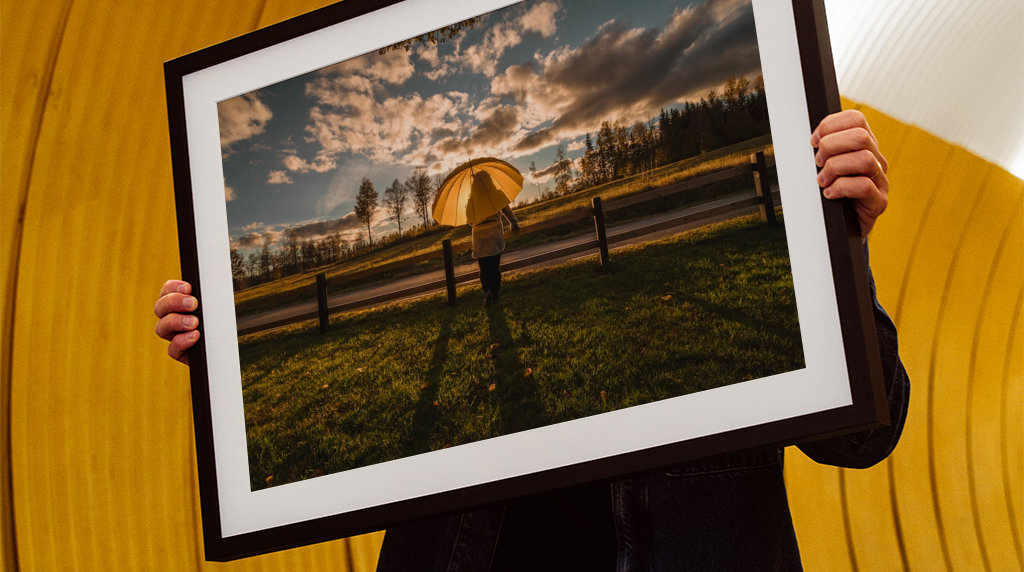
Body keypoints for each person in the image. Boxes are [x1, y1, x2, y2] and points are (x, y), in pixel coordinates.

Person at [154, 110, 907, 570]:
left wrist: (839, 245)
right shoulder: (479, 203)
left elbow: (864, 435)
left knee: (490, 287)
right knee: (486, 289)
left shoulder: (485, 199)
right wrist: (227, 341)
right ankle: (492, 305)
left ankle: (494, 303)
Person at [467, 171, 520, 306]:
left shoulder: (472, 200)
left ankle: (487, 292)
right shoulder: (496, 194)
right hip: (494, 232)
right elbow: (507, 210)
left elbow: (470, 221)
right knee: (494, 267)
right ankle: (494, 294)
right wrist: (513, 223)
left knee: (484, 269)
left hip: (478, 235)